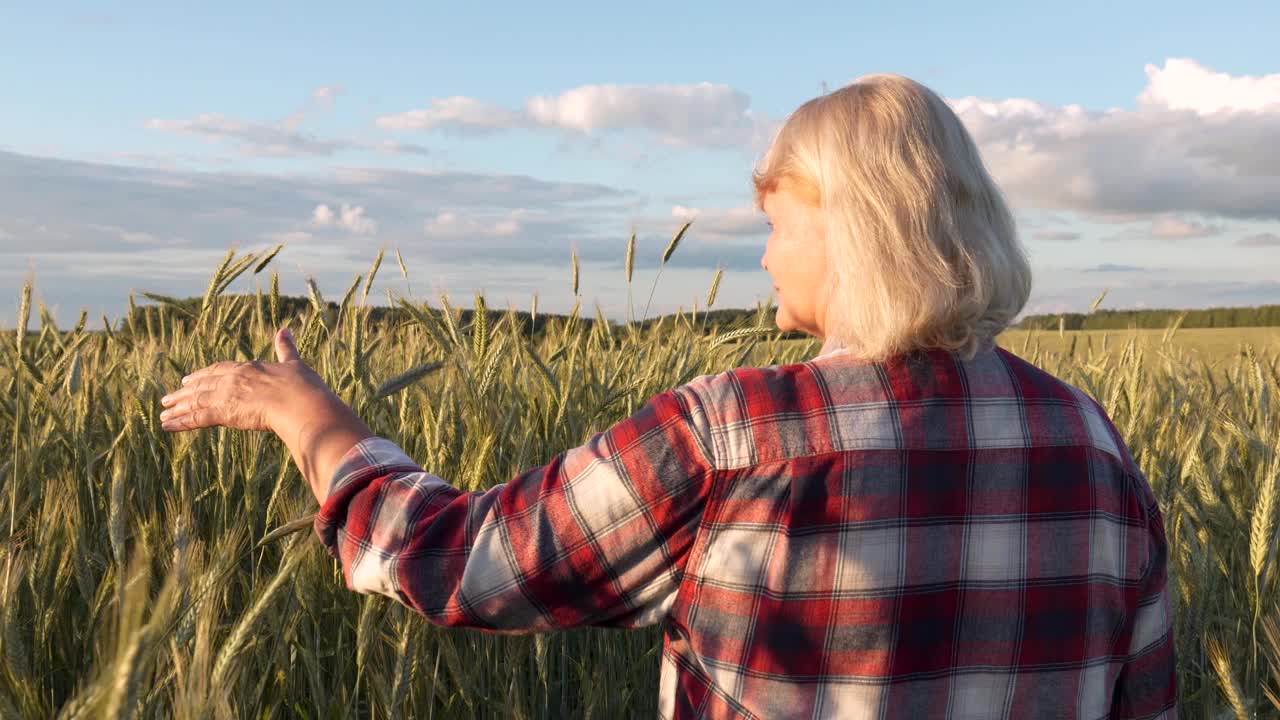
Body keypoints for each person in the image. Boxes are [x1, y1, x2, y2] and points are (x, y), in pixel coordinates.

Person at [159, 74, 1177, 719]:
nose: (766, 256)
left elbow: (463, 565)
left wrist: (308, 419)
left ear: (848, 228)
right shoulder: (1086, 442)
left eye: (777, 223)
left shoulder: (731, 432)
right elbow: (1145, 697)